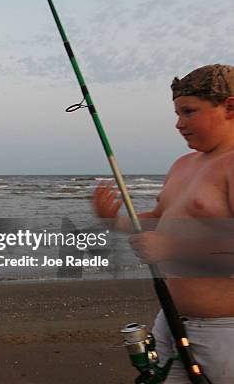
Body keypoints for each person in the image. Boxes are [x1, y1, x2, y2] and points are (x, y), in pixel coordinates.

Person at [93, 64, 234, 383]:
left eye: (189, 112)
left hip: (225, 332)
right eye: (177, 113)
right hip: (170, 322)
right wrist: (114, 220)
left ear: (229, 107)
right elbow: (160, 220)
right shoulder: (184, 164)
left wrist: (172, 247)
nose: (179, 124)